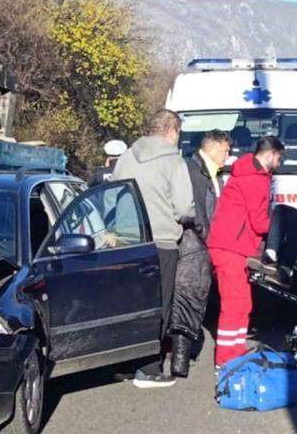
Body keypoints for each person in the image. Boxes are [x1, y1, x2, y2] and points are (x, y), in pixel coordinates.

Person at [113, 109, 195, 387]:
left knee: (129, 304)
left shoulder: (126, 156)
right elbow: (184, 207)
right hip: (160, 242)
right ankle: (149, 368)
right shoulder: (174, 161)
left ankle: (124, 363)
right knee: (158, 304)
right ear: (172, 131)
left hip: (126, 241)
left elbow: (113, 194)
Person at [208, 135, 284, 367]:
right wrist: (278, 232)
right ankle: (226, 359)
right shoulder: (256, 180)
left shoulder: (244, 173)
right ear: (270, 154)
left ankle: (235, 350)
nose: (280, 164)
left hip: (229, 246)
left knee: (241, 303)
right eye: (280, 159)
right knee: (235, 305)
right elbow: (259, 221)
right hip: (232, 247)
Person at [169, 129, 231, 378]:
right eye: (226, 150)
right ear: (213, 148)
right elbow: (196, 211)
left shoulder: (211, 172)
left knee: (191, 296)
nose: (228, 155)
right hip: (194, 245)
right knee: (189, 295)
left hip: (201, 243)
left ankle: (180, 356)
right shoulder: (195, 172)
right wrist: (208, 237)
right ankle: (180, 360)